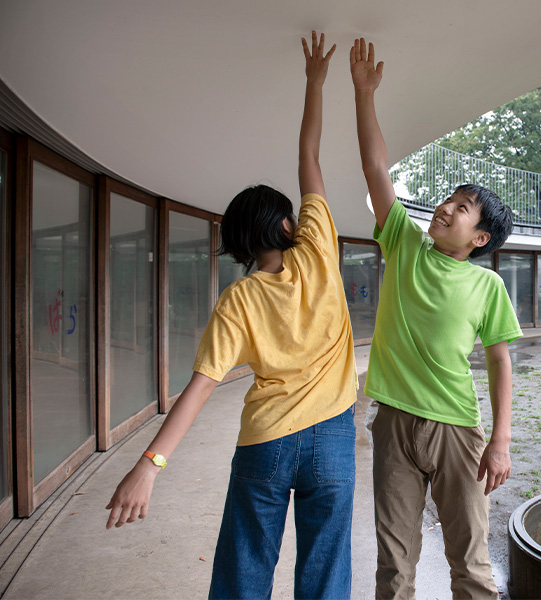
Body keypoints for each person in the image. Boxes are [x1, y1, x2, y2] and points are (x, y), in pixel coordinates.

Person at [105, 31, 358, 600]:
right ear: (290, 226)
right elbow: (309, 157)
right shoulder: (319, 251)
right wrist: (315, 81)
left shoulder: (238, 299)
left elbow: (200, 388)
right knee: (326, 572)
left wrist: (150, 464)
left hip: (265, 441)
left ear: (241, 243)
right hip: (333, 439)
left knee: (244, 569)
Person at [350, 37, 522, 599]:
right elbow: (376, 167)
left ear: (480, 237)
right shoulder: (402, 243)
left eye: (462, 206)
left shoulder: (486, 284)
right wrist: (364, 93)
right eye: (450, 197)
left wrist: (500, 441)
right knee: (394, 565)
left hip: (457, 430)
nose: (445, 206)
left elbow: (499, 362)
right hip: (394, 421)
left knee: (470, 563)